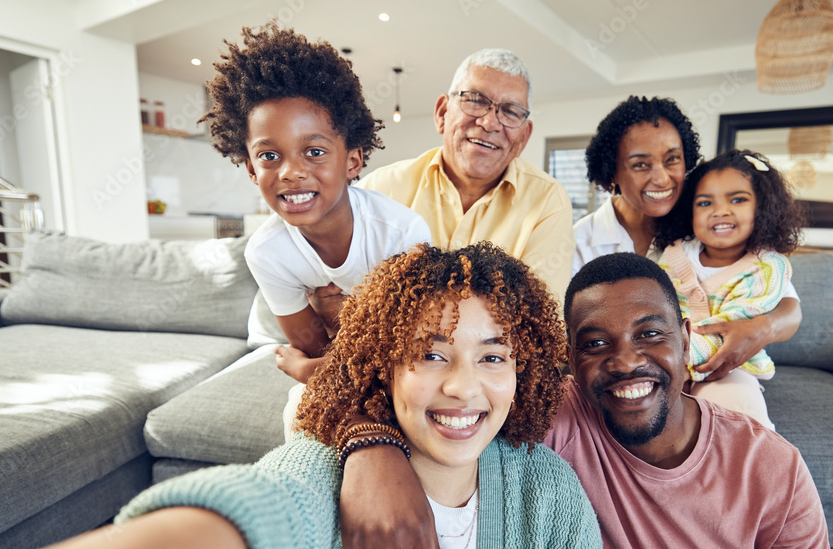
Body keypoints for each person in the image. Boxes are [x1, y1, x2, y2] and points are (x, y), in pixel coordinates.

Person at [0, 243, 637, 549]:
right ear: (382, 366)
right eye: (430, 352)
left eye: (492, 355)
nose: (461, 386)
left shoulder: (548, 489)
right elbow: (259, 517)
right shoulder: (329, 470)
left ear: (526, 369)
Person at [546, 252, 833, 549]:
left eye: (649, 333)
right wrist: (399, 465)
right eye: (596, 344)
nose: (626, 361)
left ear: (686, 340)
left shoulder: (770, 470)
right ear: (570, 359)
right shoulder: (554, 419)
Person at [200, 23, 431, 383]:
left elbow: (413, 359)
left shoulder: (401, 234)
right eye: (270, 155)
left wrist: (311, 367)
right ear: (250, 169)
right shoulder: (267, 253)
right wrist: (322, 358)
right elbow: (317, 351)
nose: (291, 172)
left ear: (353, 160)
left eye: (315, 151)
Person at [572, 95, 802, 384]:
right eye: (641, 164)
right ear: (612, 174)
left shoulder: (707, 228)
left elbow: (789, 307)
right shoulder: (579, 242)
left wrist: (760, 329)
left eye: (672, 160)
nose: (662, 179)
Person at [356, 48, 575, 306]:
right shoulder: (378, 189)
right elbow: (346, 301)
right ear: (441, 114)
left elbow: (536, 319)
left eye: (511, 112)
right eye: (476, 100)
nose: (490, 123)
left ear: (524, 138)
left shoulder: (547, 201)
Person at [654, 149, 805, 429]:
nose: (720, 210)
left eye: (738, 199)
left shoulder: (765, 269)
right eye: (704, 202)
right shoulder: (673, 256)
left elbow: (736, 324)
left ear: (762, 207)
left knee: (740, 417)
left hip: (728, 366)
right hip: (665, 364)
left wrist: (678, 360)